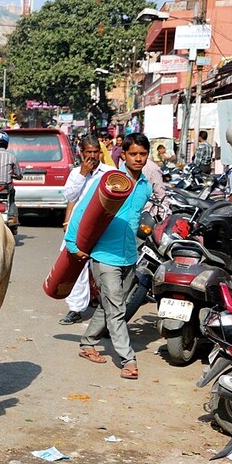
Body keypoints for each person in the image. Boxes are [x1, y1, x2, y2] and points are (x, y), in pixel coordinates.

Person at [65, 133, 153, 380]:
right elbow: (82, 209)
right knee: (116, 309)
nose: (138, 159)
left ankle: (88, 342)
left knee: (111, 305)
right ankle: (128, 359)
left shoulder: (145, 185)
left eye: (143, 154)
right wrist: (72, 243)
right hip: (104, 255)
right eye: (133, 154)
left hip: (129, 255)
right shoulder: (110, 180)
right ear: (122, 155)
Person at [58, 136, 116, 326]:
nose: (92, 156)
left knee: (103, 267)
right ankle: (75, 309)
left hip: (103, 226)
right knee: (75, 266)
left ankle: (107, 308)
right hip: (79, 226)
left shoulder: (109, 172)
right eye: (88, 152)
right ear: (81, 153)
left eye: (95, 152)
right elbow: (69, 196)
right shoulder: (76, 173)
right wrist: (83, 174)